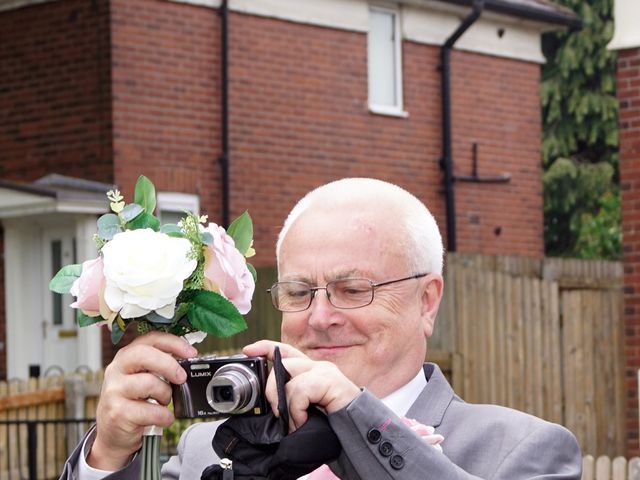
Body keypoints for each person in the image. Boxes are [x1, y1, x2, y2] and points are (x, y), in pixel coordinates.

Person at [61, 178, 582, 479]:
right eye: (298, 292)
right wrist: (106, 455)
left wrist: (359, 416)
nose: (320, 316)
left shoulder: (523, 451)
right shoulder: (209, 449)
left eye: (353, 290)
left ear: (428, 301)